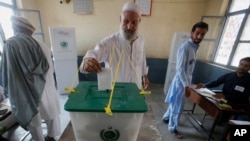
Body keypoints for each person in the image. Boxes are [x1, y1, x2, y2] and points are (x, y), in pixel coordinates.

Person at [1, 16, 61, 141]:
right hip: (47, 87)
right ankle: (51, 137)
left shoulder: (10, 45)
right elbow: (51, 70)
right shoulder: (42, 45)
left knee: (33, 119)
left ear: (15, 28)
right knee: (51, 112)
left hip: (26, 92)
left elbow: (9, 73)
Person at [79, 2, 149, 90]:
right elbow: (95, 53)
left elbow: (142, 59)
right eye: (126, 21)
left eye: (134, 22)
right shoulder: (110, 42)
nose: (129, 26)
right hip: (116, 92)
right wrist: (87, 61)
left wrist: (145, 76)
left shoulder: (141, 39)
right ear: (120, 19)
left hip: (136, 89)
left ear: (139, 21)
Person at [162, 22, 209, 139]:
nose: (199, 37)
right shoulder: (185, 47)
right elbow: (180, 69)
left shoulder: (194, 47)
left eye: (202, 34)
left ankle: (166, 118)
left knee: (174, 103)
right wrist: (186, 86)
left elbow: (187, 70)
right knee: (177, 106)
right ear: (191, 33)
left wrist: (190, 84)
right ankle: (173, 128)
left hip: (184, 82)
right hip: (181, 84)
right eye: (197, 33)